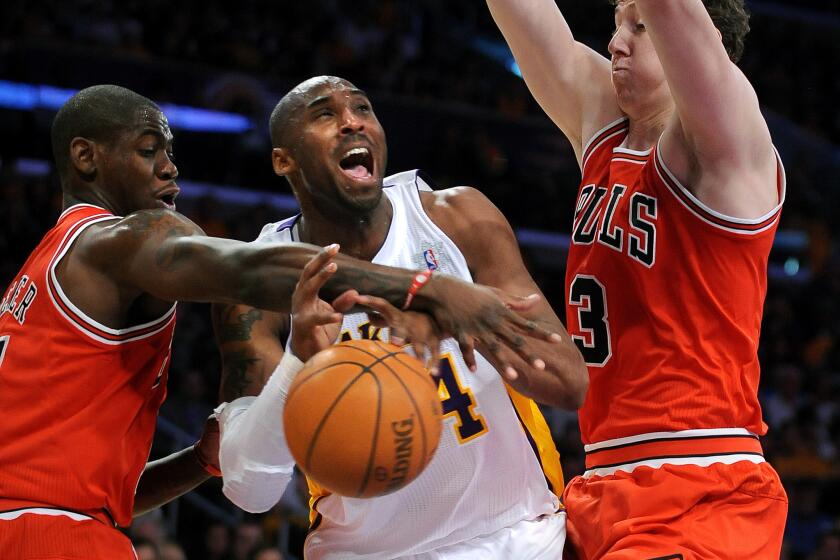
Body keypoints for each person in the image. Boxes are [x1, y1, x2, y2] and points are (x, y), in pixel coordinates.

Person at [0, 84, 565, 559]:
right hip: (51, 532)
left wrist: (199, 460)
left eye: (170, 151)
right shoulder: (113, 240)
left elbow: (99, 493)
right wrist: (426, 289)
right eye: (150, 150)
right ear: (85, 157)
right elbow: (245, 268)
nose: (170, 167)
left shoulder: (41, 269)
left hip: (55, 520)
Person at [213, 76, 588, 559]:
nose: (352, 122)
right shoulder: (258, 282)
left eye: (363, 109)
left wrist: (458, 312)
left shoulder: (456, 219)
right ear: (284, 160)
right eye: (325, 114)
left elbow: (568, 382)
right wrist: (296, 362)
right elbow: (249, 491)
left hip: (517, 535)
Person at [486, 0, 788, 557]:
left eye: (639, 26)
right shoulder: (603, 130)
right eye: (616, 25)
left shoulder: (727, 147)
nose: (615, 43)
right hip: (601, 479)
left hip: (699, 485)